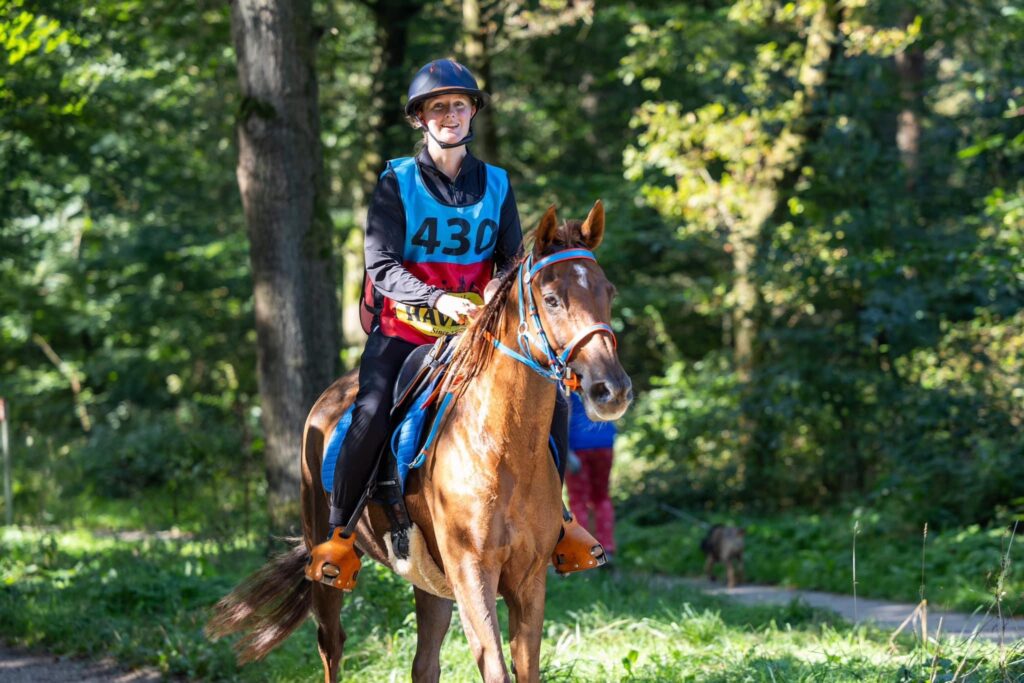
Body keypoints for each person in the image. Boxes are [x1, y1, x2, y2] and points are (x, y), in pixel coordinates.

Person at [306, 58, 603, 590]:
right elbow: (381, 265)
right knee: (372, 410)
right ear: (421, 118)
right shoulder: (396, 182)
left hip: (475, 336)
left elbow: (512, 261)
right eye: (437, 107)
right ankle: (341, 536)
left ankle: (560, 523)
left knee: (553, 397)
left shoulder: (497, 183)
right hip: (404, 329)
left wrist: (496, 287)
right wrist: (438, 300)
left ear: (471, 115)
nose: (449, 115)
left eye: (458, 105)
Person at [565, 391, 618, 563]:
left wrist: (566, 451)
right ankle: (607, 549)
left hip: (578, 445)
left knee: (578, 499)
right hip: (605, 442)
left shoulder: (567, 379)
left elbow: (564, 412)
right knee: (601, 497)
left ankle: (584, 551)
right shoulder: (604, 377)